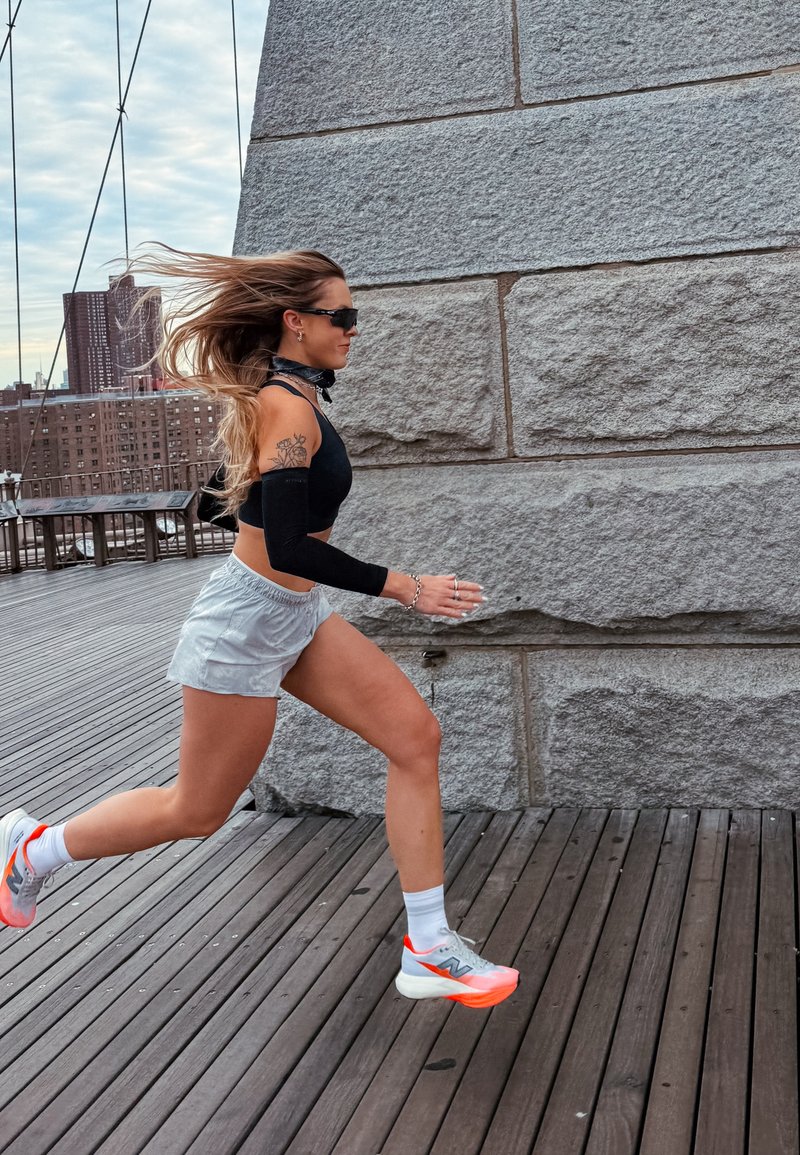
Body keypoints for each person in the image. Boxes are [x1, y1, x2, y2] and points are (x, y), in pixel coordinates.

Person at [0, 246, 519, 1010]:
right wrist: (404, 586)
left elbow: (232, 505)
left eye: (355, 316)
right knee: (197, 809)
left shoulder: (287, 397)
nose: (351, 328)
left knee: (416, 740)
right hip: (246, 621)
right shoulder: (283, 406)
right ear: (294, 321)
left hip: (296, 614)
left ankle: (429, 945)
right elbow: (283, 543)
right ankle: (31, 850)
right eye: (339, 316)